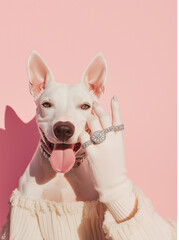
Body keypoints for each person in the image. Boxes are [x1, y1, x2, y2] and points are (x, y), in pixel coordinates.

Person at [2, 96, 177, 240]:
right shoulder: (27, 200)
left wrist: (117, 190)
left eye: (84, 106)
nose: (64, 122)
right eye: (48, 104)